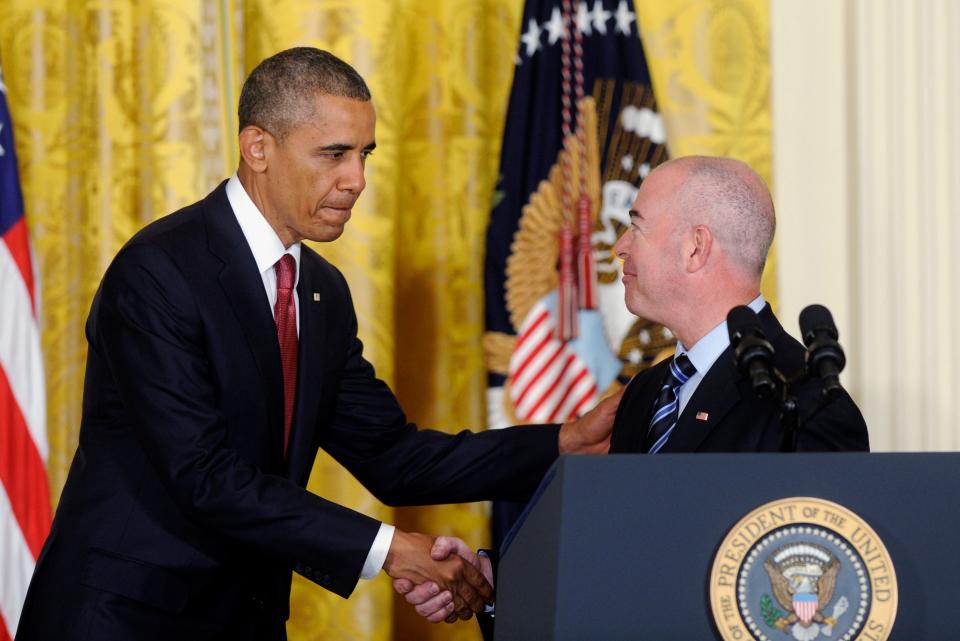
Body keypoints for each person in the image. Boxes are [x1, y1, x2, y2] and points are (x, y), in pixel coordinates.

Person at [14, 48, 621, 641]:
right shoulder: (158, 272)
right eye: (333, 154)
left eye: (364, 155)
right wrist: (389, 550)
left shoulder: (319, 290)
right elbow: (204, 477)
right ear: (259, 148)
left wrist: (564, 441)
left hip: (246, 620)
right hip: (124, 618)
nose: (356, 181)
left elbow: (395, 459)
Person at [396, 155, 869, 628]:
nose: (620, 247)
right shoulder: (647, 390)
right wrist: (496, 579)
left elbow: (819, 595)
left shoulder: (802, 401)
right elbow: (624, 546)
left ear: (695, 248)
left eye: (636, 227)